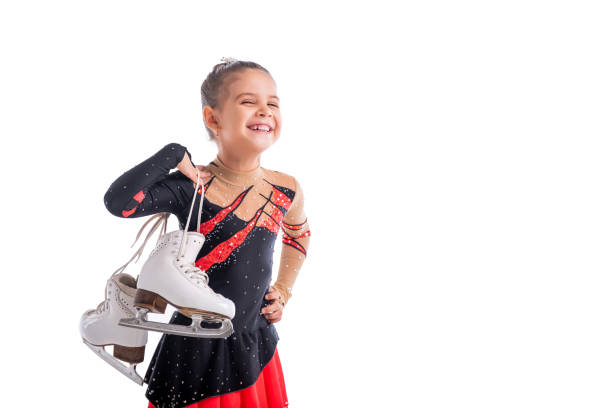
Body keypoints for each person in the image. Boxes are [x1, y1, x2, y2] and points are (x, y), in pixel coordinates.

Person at [103, 58, 311, 408]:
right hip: (194, 348)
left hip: (253, 342)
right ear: (213, 119)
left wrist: (283, 289)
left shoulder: (285, 189)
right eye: (249, 102)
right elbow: (119, 202)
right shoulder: (192, 187)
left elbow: (298, 234)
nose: (265, 111)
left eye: (272, 103)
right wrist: (172, 154)